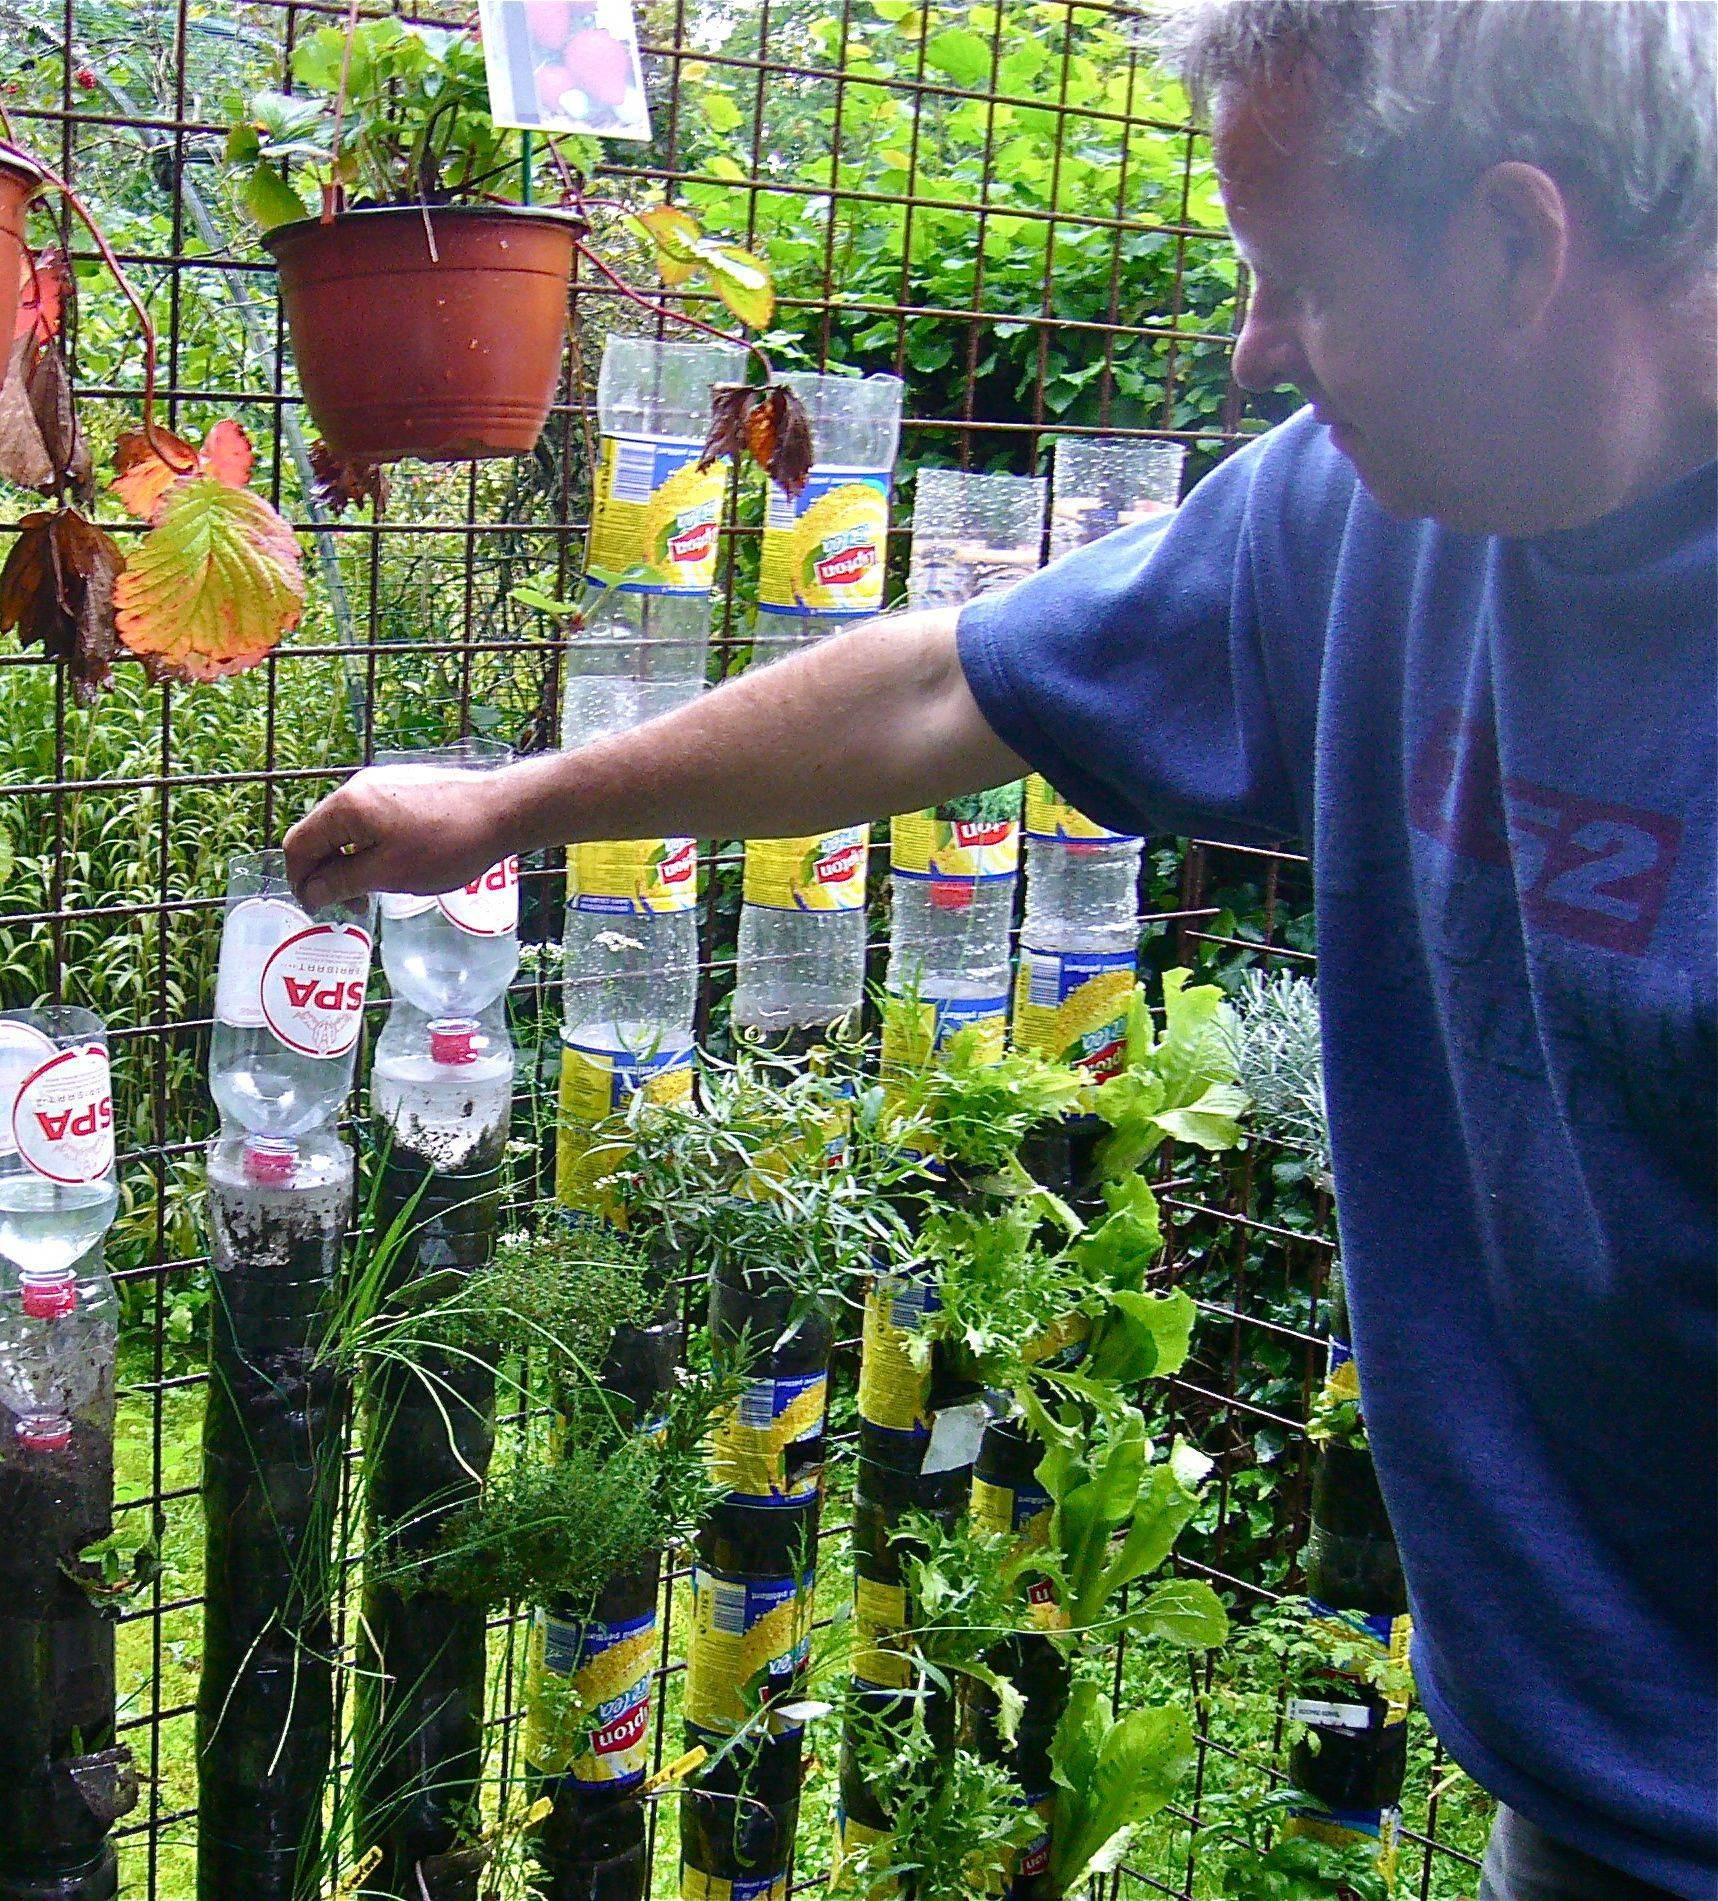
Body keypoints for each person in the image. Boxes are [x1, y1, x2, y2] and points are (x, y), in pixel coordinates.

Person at [284, 3, 1717, 1897]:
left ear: (1520, 249)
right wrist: (517, 804)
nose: (1253, 348)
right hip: (1581, 1787)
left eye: (1297, 280)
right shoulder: (1361, 520)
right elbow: (945, 687)